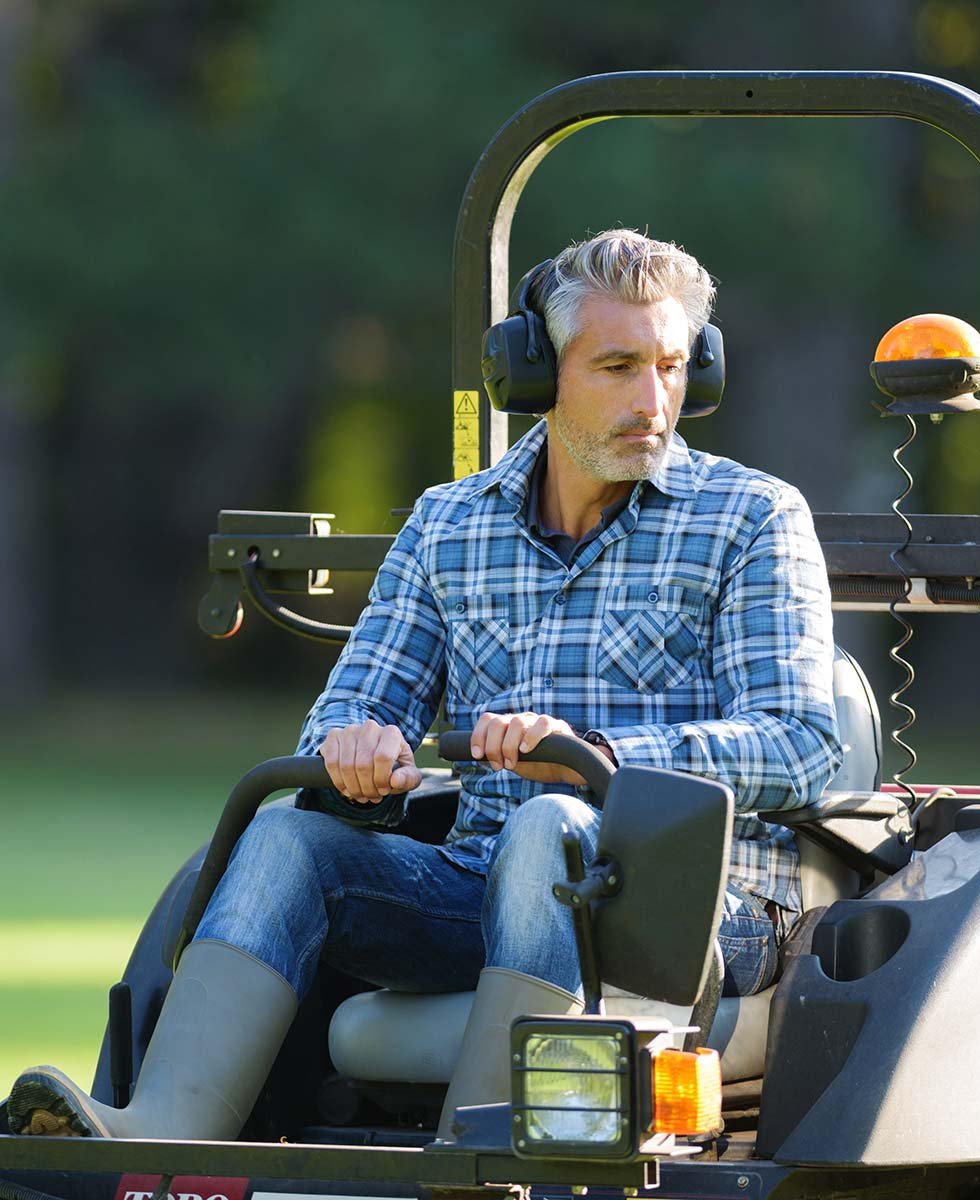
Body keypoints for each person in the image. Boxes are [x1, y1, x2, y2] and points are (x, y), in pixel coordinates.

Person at [8, 229, 842, 1142]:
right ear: (537, 373)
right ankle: (161, 1132)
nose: (652, 400)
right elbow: (350, 704)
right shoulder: (450, 525)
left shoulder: (755, 516)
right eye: (616, 366)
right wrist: (355, 744)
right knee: (288, 833)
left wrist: (598, 759)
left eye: (671, 368)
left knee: (548, 824)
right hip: (477, 888)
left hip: (693, 907)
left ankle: (478, 1154)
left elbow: (801, 739)